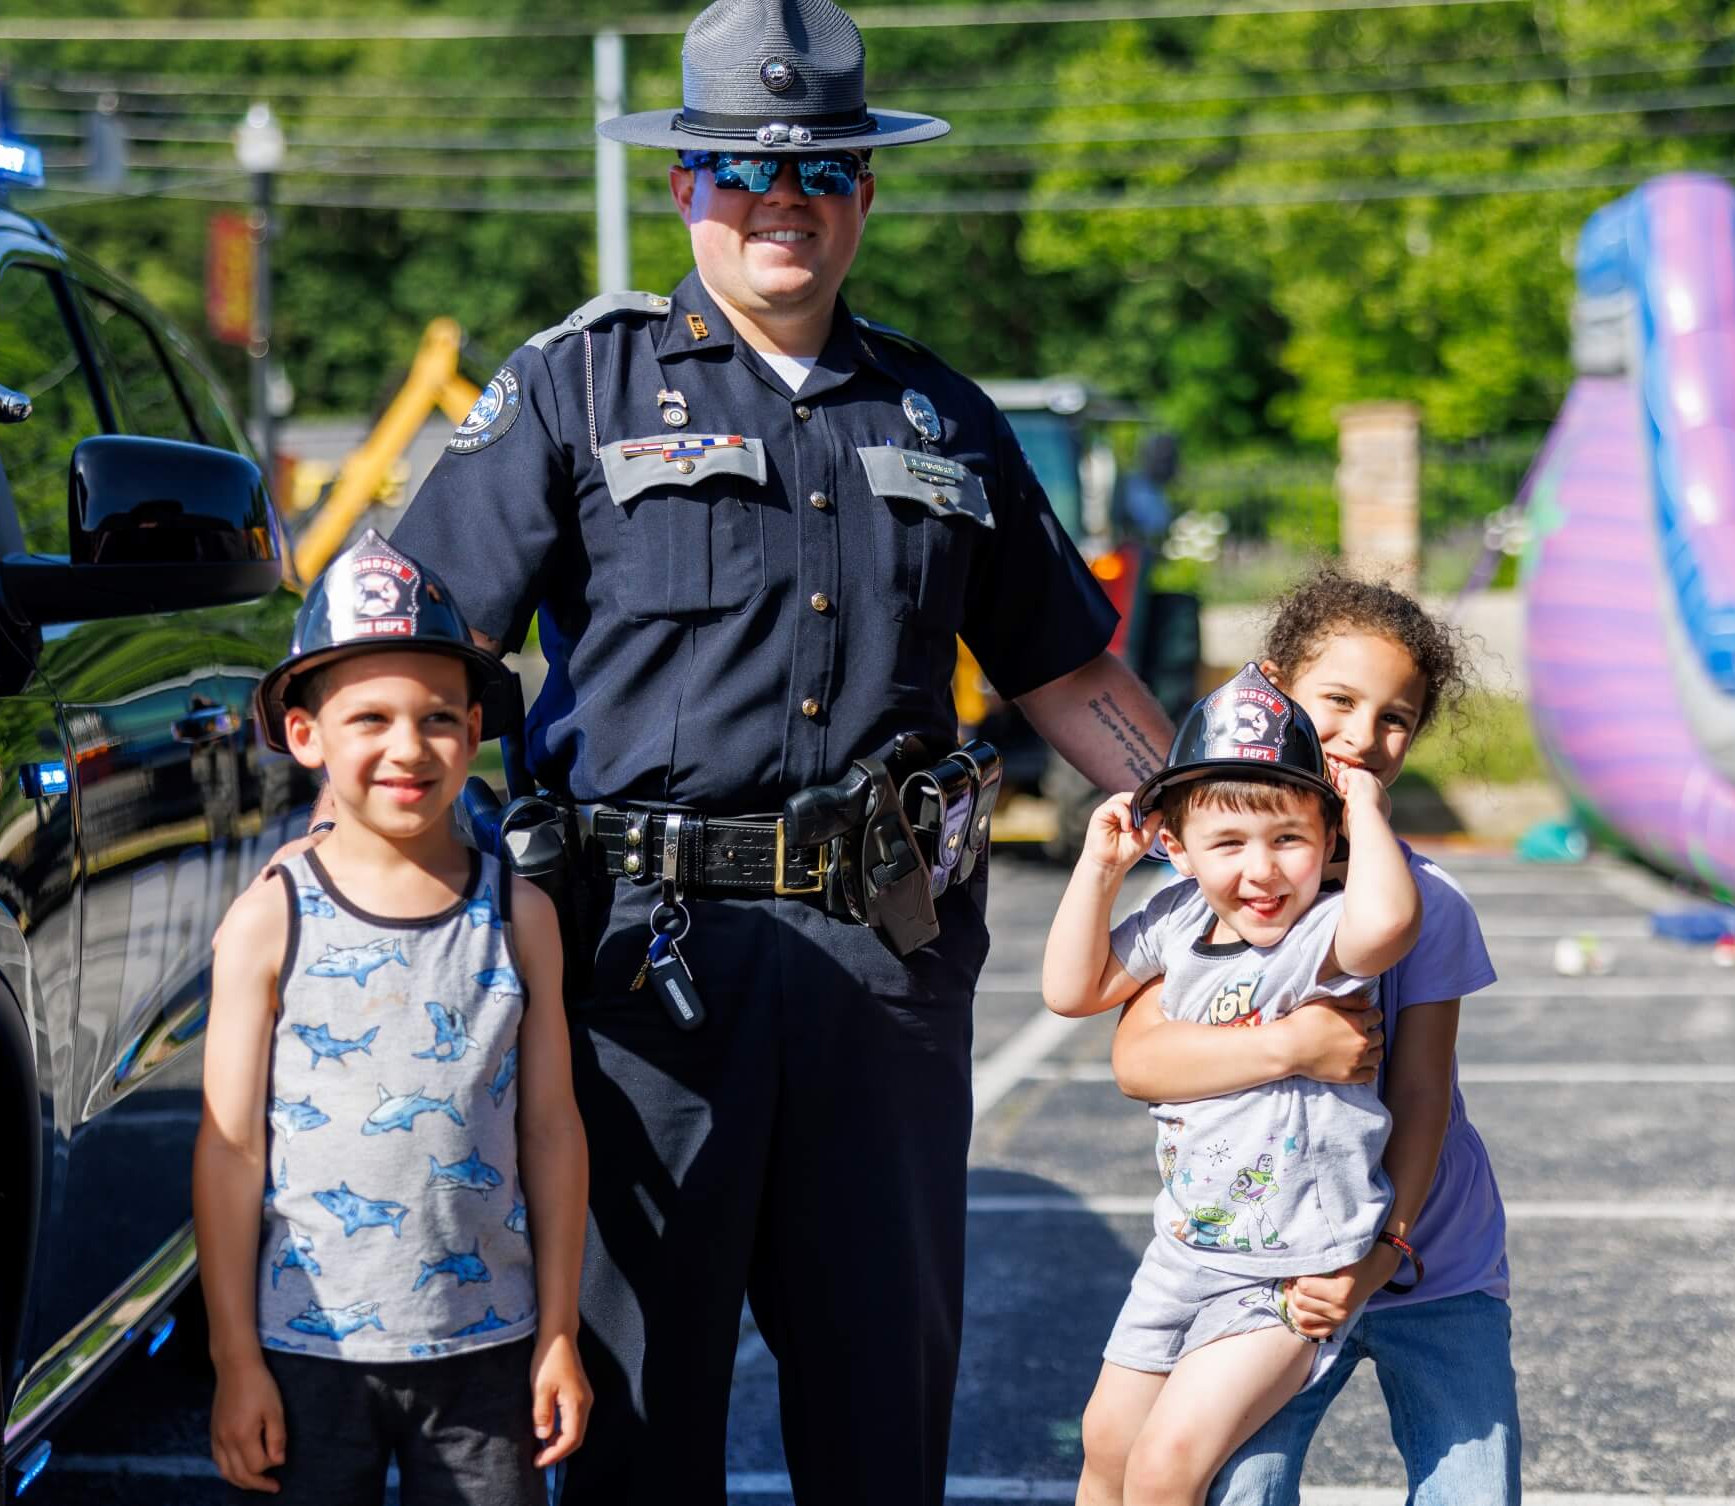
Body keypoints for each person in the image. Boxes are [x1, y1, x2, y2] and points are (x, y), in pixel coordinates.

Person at [381, 1, 1177, 1498]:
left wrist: (1231, 820)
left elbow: (1066, 671)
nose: (779, 200)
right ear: (684, 185)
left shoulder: (939, 411)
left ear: (865, 190)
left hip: (883, 965)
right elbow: (423, 646)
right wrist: (372, 891)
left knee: (880, 1413)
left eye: (816, 171)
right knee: (628, 1423)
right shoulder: (578, 384)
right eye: (740, 170)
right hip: (637, 977)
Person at [196, 532, 590, 1502]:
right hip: (308, 1349)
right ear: (304, 734)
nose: (408, 748)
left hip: (489, 1355)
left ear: (473, 732)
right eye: (368, 716)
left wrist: (559, 1333)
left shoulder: (521, 914)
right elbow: (231, 1149)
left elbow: (548, 1128)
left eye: (441, 718)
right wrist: (235, 1358)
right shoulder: (267, 920)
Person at [1108, 572, 1512, 1506]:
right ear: (1269, 690)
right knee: (1241, 1488)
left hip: (1429, 1260)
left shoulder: (1427, 906)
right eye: (1337, 700)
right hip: (1268, 1275)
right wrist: (1292, 1044)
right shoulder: (1219, 888)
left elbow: (1419, 1095)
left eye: (1396, 718)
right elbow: (1138, 1058)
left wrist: (1382, 1255)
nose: (1364, 738)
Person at [1042, 663, 1421, 1506]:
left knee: (1165, 1468)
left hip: (1288, 1266)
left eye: (1289, 837)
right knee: (1107, 1446)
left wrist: (1363, 803)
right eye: (1226, 844)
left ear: (1326, 842)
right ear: (1175, 849)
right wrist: (1098, 871)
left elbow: (1389, 923)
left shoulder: (1324, 925)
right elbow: (1071, 990)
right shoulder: (1176, 921)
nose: (1261, 871)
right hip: (1181, 1250)